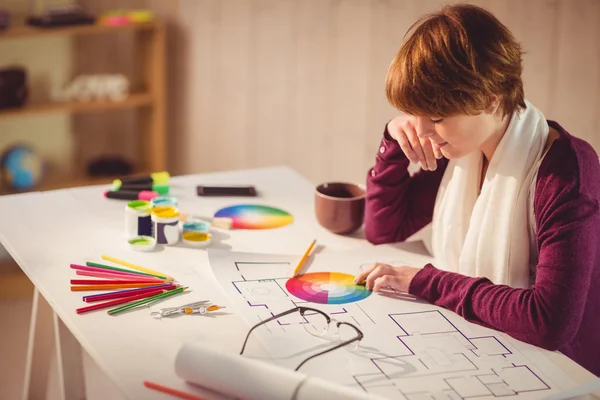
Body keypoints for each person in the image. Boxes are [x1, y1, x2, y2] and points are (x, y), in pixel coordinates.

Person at [354, 4, 600, 377]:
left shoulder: (566, 172)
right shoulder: (463, 150)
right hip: (482, 350)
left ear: (490, 98)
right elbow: (384, 229)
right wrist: (392, 141)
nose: (422, 131)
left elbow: (550, 322)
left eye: (435, 118)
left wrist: (427, 280)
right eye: (414, 114)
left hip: (563, 373)